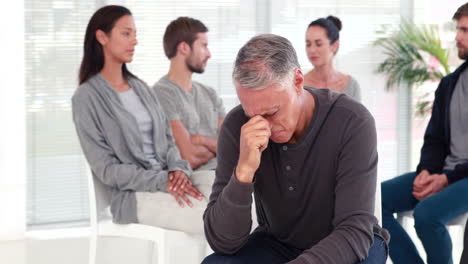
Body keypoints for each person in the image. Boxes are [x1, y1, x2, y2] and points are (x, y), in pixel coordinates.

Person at [202, 34, 389, 264]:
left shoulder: (352, 121)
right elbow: (222, 242)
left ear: (298, 81)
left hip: (351, 245)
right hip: (279, 244)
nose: (265, 128)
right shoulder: (237, 126)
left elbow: (354, 230)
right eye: (253, 115)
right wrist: (243, 172)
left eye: (271, 113)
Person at [72, 5, 213, 234]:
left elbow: (169, 143)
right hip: (133, 195)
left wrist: (178, 171)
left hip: (170, 181)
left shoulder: (142, 89)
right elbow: (106, 169)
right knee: (210, 218)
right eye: (126, 33)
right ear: (102, 37)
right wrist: (163, 180)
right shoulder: (86, 98)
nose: (134, 41)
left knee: (231, 199)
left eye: (135, 34)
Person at [381, 3, 468, 264]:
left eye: (464, 30)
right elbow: (434, 139)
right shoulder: (450, 84)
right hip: (444, 172)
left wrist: (447, 178)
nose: (457, 37)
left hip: (461, 177)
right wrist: (427, 172)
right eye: (458, 29)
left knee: (427, 215)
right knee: (372, 202)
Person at [153, 17, 226, 171]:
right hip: (200, 178)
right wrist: (217, 148)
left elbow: (233, 145)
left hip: (229, 174)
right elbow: (189, 157)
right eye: (204, 46)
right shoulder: (161, 94)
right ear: (184, 48)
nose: (209, 54)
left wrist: (200, 140)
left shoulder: (210, 93)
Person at [304, 15, 361, 101]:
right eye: (308, 44)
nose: (312, 50)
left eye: (318, 44)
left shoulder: (350, 85)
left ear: (334, 45)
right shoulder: (300, 85)